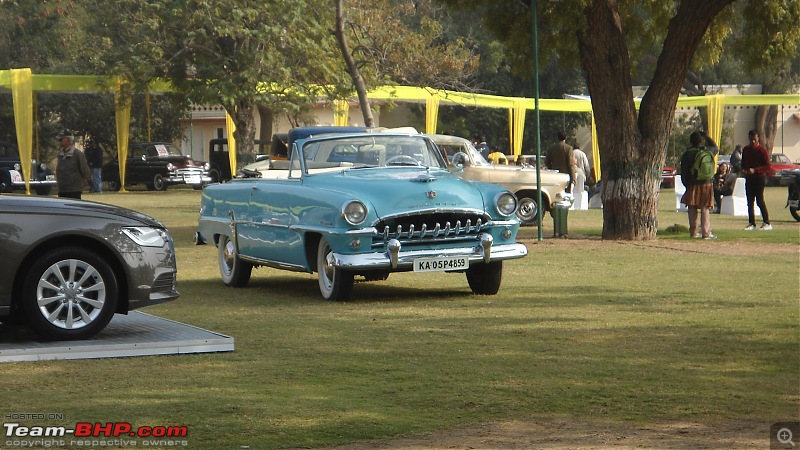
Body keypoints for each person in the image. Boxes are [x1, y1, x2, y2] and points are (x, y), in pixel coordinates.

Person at [679, 131, 718, 239]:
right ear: (701, 140)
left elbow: (684, 171)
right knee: (705, 207)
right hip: (706, 183)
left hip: (692, 183)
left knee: (692, 206)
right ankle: (706, 232)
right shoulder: (707, 151)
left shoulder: (687, 154)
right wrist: (707, 136)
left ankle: (694, 232)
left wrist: (686, 184)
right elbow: (715, 147)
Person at [740, 129, 772, 230]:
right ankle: (752, 223)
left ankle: (767, 222)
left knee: (759, 200)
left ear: (758, 138)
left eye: (754, 139)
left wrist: (755, 170)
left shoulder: (762, 150)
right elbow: (743, 164)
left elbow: (767, 166)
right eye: (751, 139)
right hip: (749, 179)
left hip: (759, 178)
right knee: (750, 201)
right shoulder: (746, 150)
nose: (753, 141)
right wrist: (744, 170)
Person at [55, 130, 90, 199]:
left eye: (61, 139)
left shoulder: (78, 154)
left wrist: (86, 180)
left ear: (68, 140)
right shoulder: (60, 154)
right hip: (62, 189)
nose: (59, 141)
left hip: (74, 189)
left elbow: (84, 170)